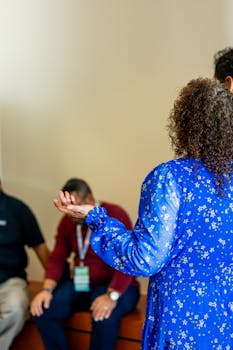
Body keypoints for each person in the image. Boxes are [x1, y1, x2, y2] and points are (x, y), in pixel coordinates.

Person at [54, 78, 233, 349]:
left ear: (184, 123)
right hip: (225, 319)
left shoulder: (169, 179)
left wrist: (96, 218)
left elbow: (145, 258)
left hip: (179, 319)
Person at [30, 178, 140, 350]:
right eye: (69, 208)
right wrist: (46, 289)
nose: (72, 213)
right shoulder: (69, 221)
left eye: (76, 206)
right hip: (82, 284)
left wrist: (112, 296)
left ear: (89, 199)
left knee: (103, 316)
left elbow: (127, 258)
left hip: (116, 286)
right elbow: (58, 256)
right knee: (43, 309)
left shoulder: (114, 213)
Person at [0, 180, 50, 350]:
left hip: (10, 281)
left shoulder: (17, 209)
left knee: (16, 307)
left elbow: (40, 247)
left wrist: (55, 282)